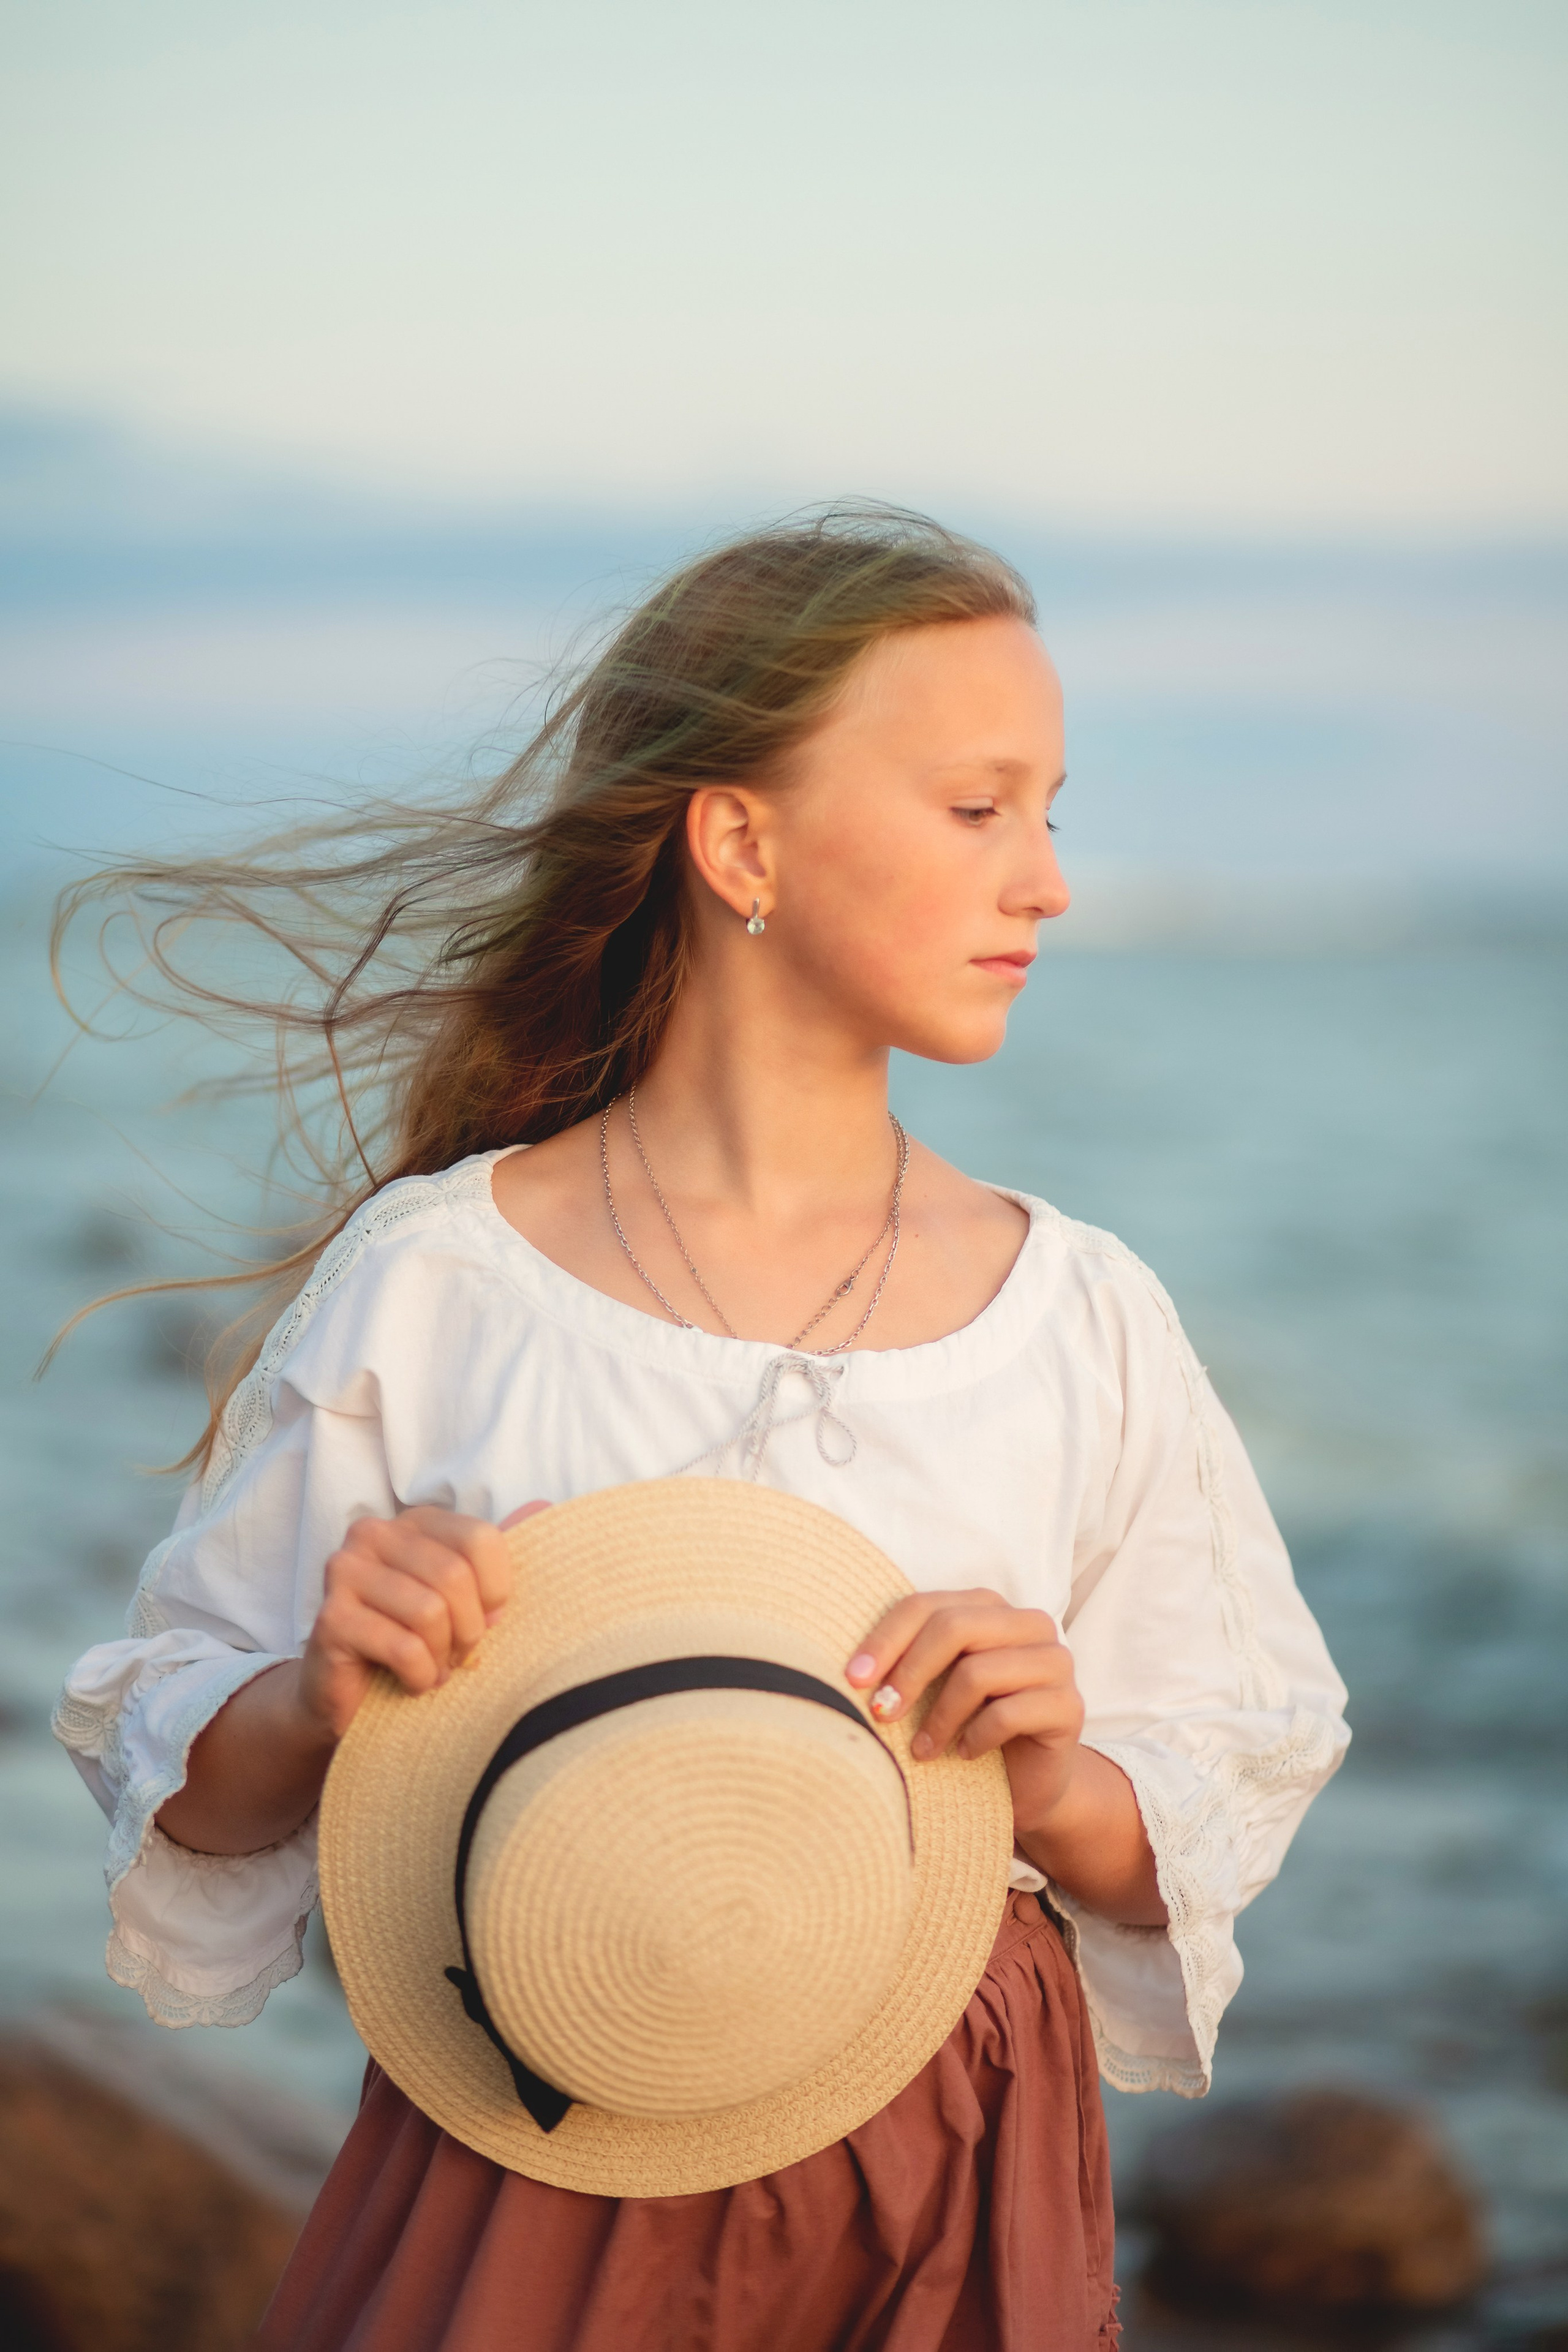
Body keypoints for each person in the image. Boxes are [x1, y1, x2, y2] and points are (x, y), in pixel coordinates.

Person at [54, 507, 1348, 2351]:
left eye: (1051, 809)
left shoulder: (1075, 1316)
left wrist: (1055, 1776)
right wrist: (324, 1687)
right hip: (538, 2123)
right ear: (741, 839)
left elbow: (1232, 1766)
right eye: (979, 809)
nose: (1047, 879)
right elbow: (178, 1773)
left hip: (949, 2149)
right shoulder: (448, 1281)